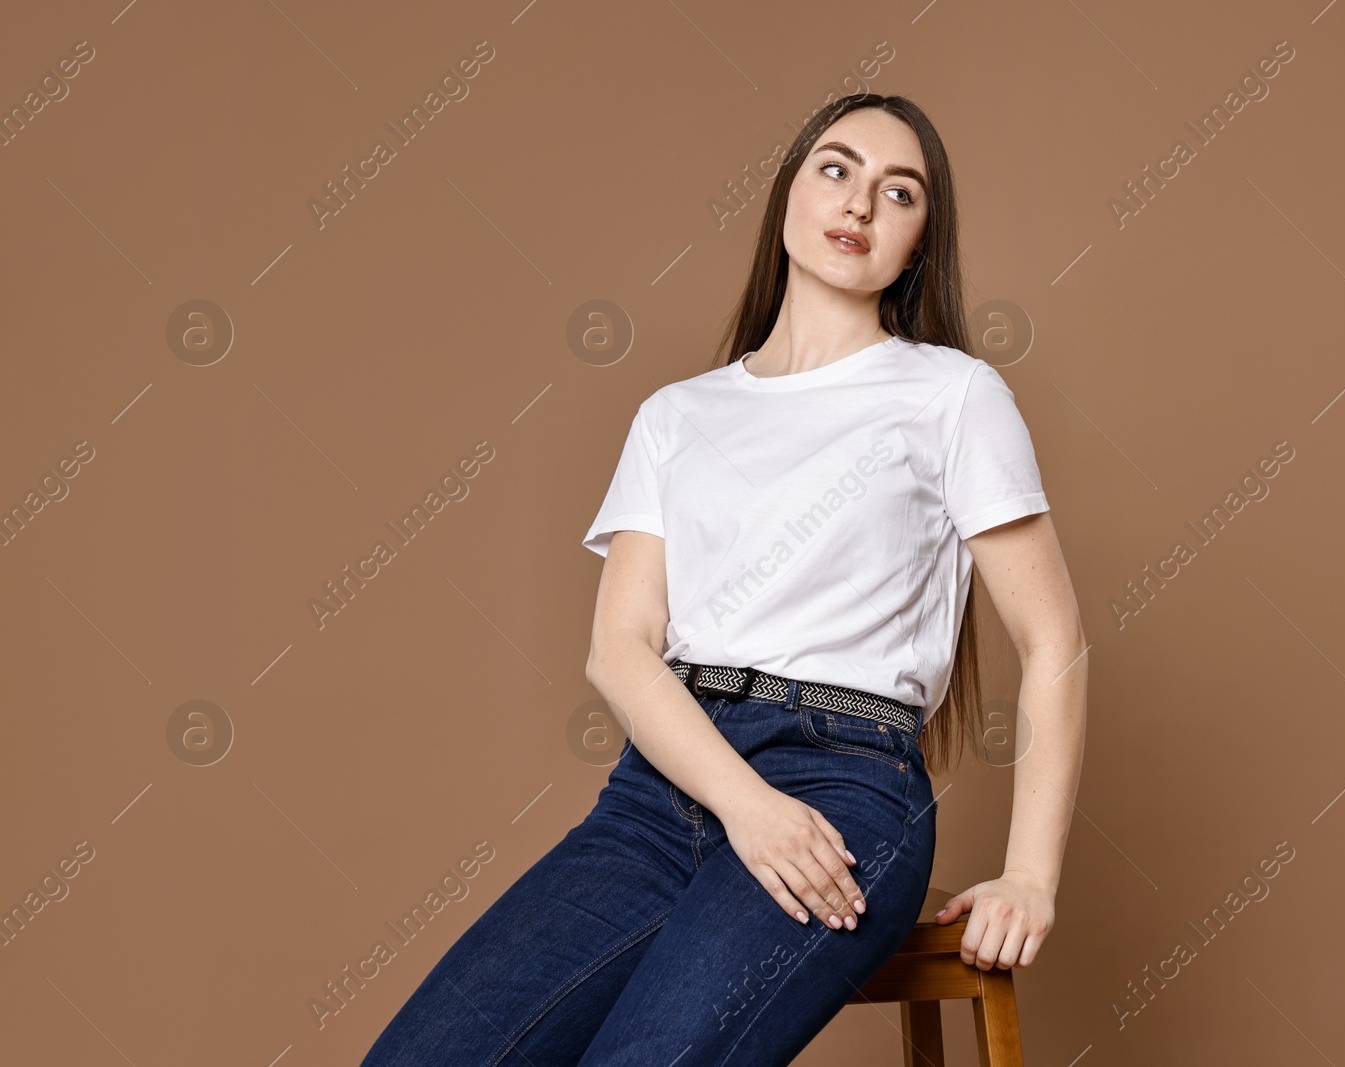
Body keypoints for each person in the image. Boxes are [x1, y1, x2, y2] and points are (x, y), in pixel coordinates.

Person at [358, 93, 1087, 1067]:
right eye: (835, 169)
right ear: (787, 194)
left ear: (918, 242)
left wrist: (1030, 876)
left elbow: (1054, 643)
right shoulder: (676, 415)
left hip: (844, 784)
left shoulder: (950, 395)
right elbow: (620, 648)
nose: (859, 202)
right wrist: (745, 804)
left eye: (897, 191)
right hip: (657, 795)